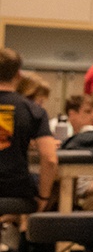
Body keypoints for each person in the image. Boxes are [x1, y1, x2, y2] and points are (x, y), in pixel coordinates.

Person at [0, 47, 55, 212]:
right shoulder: (33, 110)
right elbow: (50, 158)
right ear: (18, 75)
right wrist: (43, 198)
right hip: (15, 190)